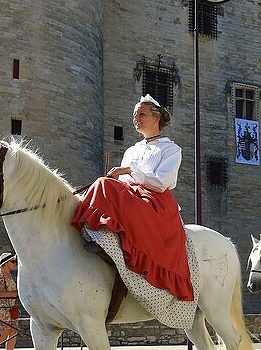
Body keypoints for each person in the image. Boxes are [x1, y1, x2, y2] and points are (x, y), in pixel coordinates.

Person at [71, 95, 191, 321]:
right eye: (135, 114)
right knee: (100, 186)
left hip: (154, 201)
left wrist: (129, 172)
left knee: (103, 185)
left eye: (141, 114)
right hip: (130, 198)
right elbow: (123, 183)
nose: (136, 118)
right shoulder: (132, 150)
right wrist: (119, 179)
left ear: (156, 118)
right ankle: (99, 240)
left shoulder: (171, 149)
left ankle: (100, 237)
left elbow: (162, 182)